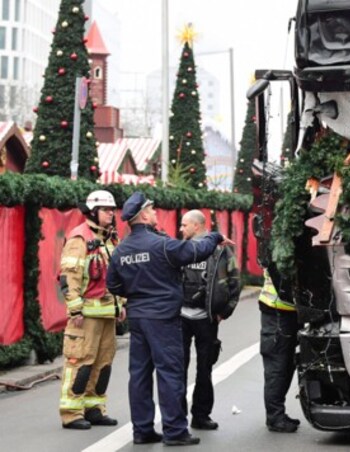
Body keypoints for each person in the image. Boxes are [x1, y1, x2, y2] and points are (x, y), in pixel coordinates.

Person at [106, 192, 233, 446]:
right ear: (143, 215)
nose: (155, 214)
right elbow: (197, 250)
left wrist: (138, 293)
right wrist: (216, 235)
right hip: (163, 318)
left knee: (139, 374)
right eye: (152, 210)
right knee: (170, 372)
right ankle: (175, 431)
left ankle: (142, 430)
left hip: (138, 318)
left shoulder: (121, 251)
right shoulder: (162, 245)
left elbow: (113, 284)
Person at [59, 190, 125, 430]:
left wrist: (121, 305)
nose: (111, 213)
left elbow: (115, 277)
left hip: (107, 313)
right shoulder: (79, 238)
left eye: (112, 209)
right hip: (85, 316)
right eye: (107, 210)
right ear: (93, 212)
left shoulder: (110, 238)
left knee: (103, 363)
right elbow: (69, 277)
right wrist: (75, 310)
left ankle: (94, 408)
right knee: (80, 363)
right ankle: (71, 412)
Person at [179, 210, 241, 431]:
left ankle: (201, 415)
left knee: (204, 369)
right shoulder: (181, 248)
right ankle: (177, 417)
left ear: (197, 226)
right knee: (178, 368)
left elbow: (235, 282)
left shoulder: (221, 251)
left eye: (184, 225)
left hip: (207, 319)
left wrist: (225, 312)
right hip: (181, 318)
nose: (181, 229)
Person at [259, 270, 301, 433]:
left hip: (287, 311)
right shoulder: (281, 249)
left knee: (287, 365)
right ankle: (275, 417)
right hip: (276, 310)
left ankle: (278, 413)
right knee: (277, 367)